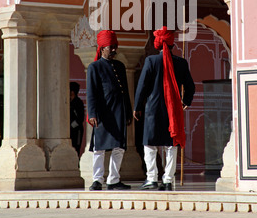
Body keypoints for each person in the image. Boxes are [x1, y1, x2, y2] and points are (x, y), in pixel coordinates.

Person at [134, 26, 195, 191]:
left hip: (153, 109)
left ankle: (152, 179)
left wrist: (137, 106)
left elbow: (143, 86)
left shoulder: (151, 61)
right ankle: (168, 180)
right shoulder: (181, 62)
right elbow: (190, 85)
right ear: (172, 45)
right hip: (173, 109)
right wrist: (185, 101)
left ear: (158, 44)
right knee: (171, 144)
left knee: (150, 145)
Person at [86, 29, 133, 190]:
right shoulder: (95, 67)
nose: (114, 49)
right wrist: (92, 113)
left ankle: (113, 179)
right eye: (111, 46)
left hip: (119, 112)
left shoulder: (119, 66)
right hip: (103, 113)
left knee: (119, 147)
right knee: (99, 147)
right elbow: (91, 92)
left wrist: (128, 111)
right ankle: (97, 180)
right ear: (103, 47)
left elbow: (125, 91)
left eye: (115, 46)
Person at [70, 82, 85, 157]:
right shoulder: (68, 102)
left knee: (76, 147)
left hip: (77, 130)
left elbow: (80, 118)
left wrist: (71, 126)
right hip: (68, 131)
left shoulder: (78, 102)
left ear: (72, 92)